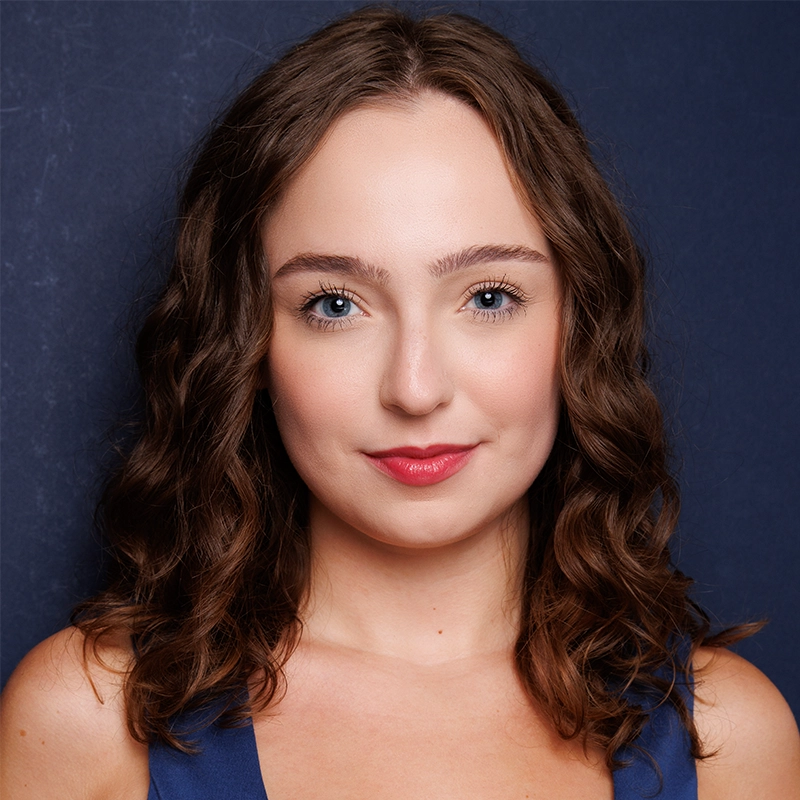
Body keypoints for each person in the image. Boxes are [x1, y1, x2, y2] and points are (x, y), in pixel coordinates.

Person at [1, 6, 798, 799]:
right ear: (244, 340)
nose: (415, 389)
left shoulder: (727, 742)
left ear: (579, 322)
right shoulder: (95, 720)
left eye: (488, 296)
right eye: (335, 305)